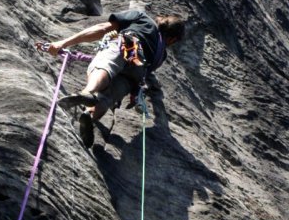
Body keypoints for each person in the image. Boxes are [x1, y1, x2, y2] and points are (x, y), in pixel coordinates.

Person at [36, 9, 185, 147]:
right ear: (172, 40)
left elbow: (103, 28)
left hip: (128, 45)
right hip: (137, 72)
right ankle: (90, 116)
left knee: (105, 65)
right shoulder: (161, 55)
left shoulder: (142, 18)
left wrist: (64, 42)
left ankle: (89, 91)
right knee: (108, 98)